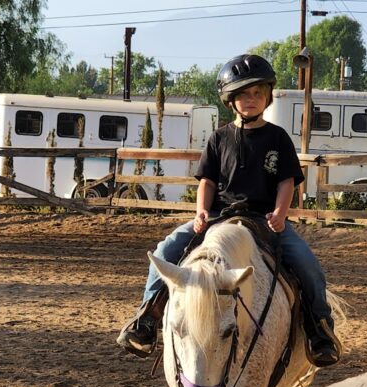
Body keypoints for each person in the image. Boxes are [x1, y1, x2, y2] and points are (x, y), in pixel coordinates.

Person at [117, 54, 341, 367]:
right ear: (230, 101)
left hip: (264, 220)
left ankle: (319, 330)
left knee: (308, 265)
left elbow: (286, 182)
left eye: (257, 94)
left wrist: (280, 213)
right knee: (165, 250)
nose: (251, 100)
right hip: (219, 218)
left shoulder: (278, 138)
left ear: (267, 97)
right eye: (244, 95)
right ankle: (146, 320)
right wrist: (201, 213)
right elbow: (207, 182)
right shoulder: (218, 138)